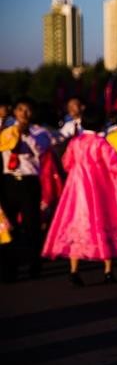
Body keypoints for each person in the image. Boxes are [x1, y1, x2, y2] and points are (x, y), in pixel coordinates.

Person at [41, 107, 117, 286]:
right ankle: (108, 270)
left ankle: (74, 270)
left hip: (76, 189)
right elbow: (115, 165)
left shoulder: (75, 142)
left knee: (76, 225)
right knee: (103, 221)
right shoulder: (101, 143)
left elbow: (66, 163)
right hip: (99, 188)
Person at [0, 98, 51, 281]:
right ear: (15, 112)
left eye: (28, 110)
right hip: (8, 181)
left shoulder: (40, 132)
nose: (24, 113)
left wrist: (26, 134)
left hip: (29, 182)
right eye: (20, 109)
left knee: (32, 226)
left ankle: (34, 265)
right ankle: (8, 269)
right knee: (7, 227)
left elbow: (40, 150)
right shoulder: (5, 130)